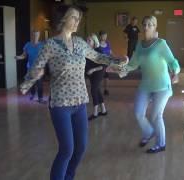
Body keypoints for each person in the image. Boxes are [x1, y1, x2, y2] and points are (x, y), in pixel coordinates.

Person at [19, 5, 128, 180]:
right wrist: (30, 80)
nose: (78, 21)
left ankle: (68, 176)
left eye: (79, 18)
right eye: (74, 17)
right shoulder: (50, 45)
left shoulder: (79, 43)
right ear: (63, 20)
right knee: (66, 149)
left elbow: (98, 56)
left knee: (81, 147)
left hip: (80, 102)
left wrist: (118, 60)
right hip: (60, 104)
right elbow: (34, 69)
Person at [117, 16, 180, 153]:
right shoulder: (139, 45)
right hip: (146, 85)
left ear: (155, 27)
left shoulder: (160, 43)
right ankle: (149, 132)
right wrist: (120, 68)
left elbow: (172, 61)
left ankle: (161, 143)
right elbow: (133, 64)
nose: (146, 27)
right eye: (144, 24)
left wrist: (176, 72)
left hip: (162, 86)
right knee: (138, 113)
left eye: (150, 25)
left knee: (156, 116)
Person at [15, 30, 45, 103]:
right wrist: (19, 57)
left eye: (37, 35)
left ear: (39, 35)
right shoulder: (27, 45)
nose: (35, 36)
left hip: (39, 68)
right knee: (31, 83)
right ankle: (32, 94)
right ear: (32, 35)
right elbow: (24, 55)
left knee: (39, 84)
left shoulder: (42, 45)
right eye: (34, 35)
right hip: (30, 67)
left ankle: (40, 98)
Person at [85, 34, 108, 120]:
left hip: (98, 72)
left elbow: (103, 65)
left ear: (94, 41)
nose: (87, 42)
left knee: (93, 90)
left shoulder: (99, 50)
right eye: (87, 40)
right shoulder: (88, 51)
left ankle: (95, 112)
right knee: (97, 89)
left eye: (89, 40)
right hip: (91, 73)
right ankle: (103, 110)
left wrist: (92, 70)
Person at [98, 31, 112, 95]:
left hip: (107, 63)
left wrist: (114, 59)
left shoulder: (108, 43)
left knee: (106, 77)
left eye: (106, 36)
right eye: (104, 36)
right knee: (99, 77)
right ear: (100, 36)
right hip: (99, 63)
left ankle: (106, 89)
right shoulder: (97, 44)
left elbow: (111, 52)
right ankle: (98, 89)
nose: (105, 37)